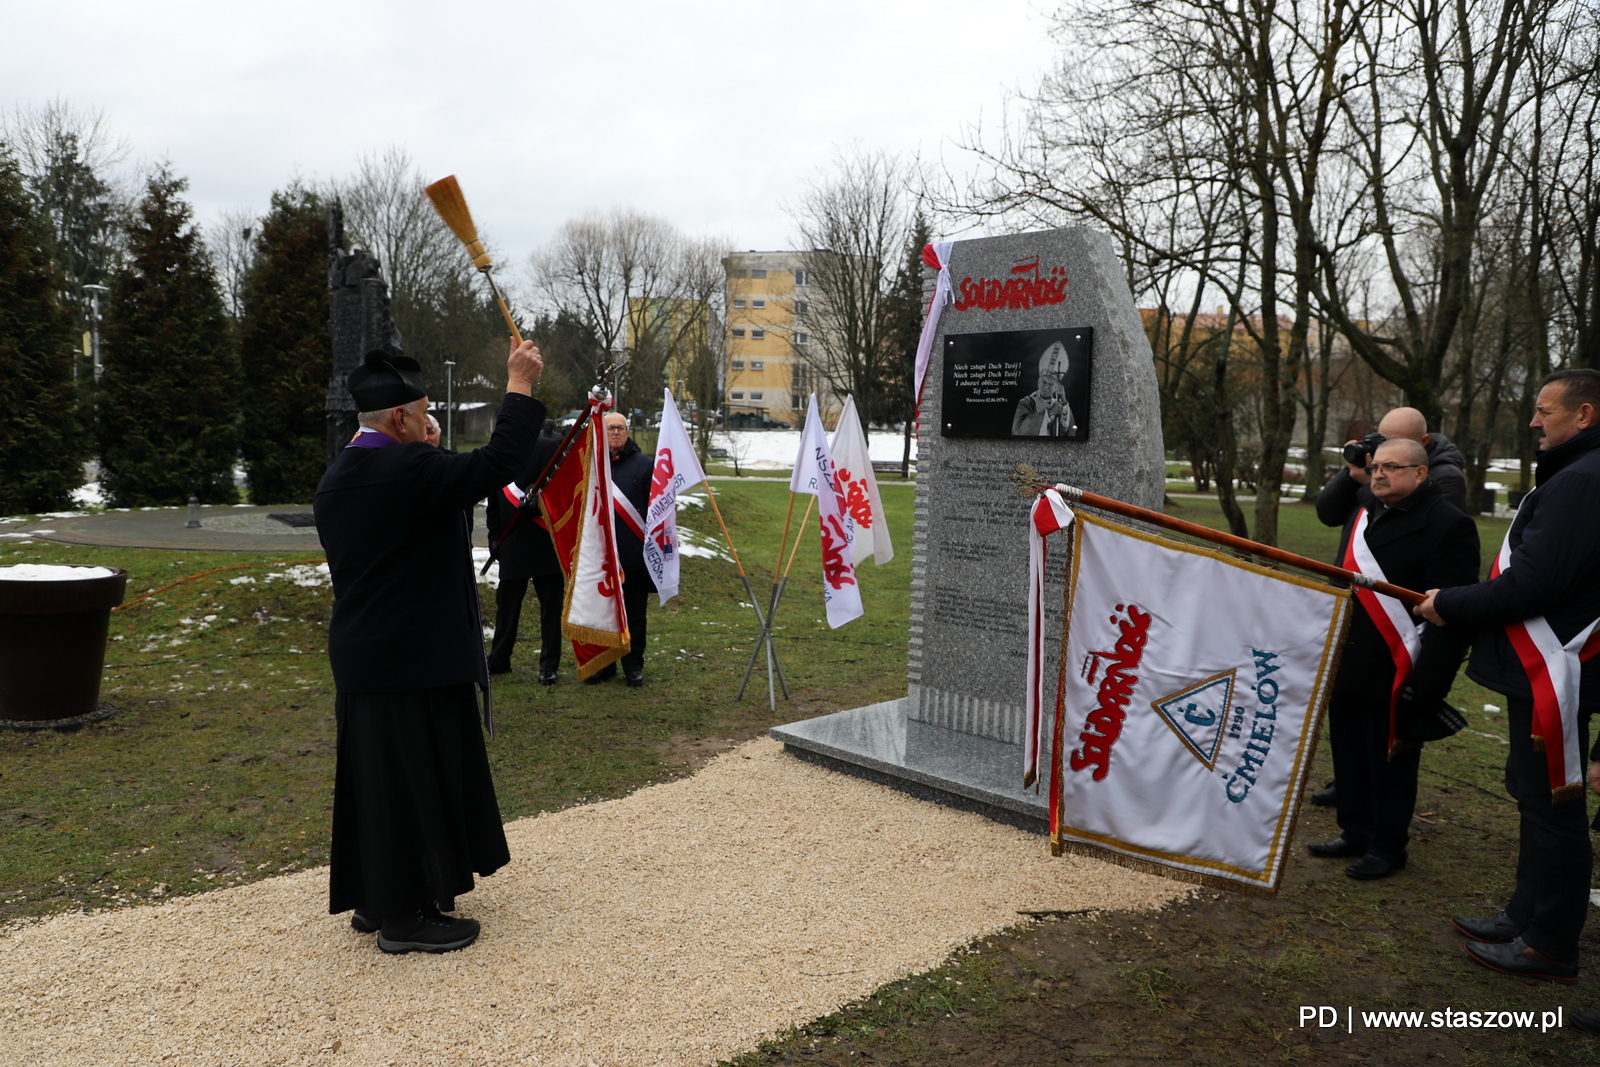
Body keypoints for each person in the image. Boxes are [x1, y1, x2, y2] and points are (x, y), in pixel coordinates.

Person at [314, 341, 544, 954]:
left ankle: (377, 896)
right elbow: (501, 462)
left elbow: (415, 519)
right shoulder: (409, 469)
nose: (428, 421)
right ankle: (405, 916)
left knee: (377, 779)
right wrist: (519, 386)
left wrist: (425, 448)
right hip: (413, 655)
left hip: (368, 654)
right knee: (413, 778)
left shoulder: (342, 475)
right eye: (421, 413)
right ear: (399, 420)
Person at [1418, 368, 1600, 983]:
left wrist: (1451, 602)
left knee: (1553, 806)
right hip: (1542, 668)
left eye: (1545, 410)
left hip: (1557, 667)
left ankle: (1549, 943)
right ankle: (1525, 915)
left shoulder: (1582, 481)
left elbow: (1536, 585)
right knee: (1534, 798)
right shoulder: (1576, 474)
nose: (1533, 421)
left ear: (1585, 416)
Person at [1306, 438, 1479, 879]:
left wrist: (1427, 684)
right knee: (1348, 752)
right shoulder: (1365, 509)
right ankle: (1355, 830)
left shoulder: (1449, 524)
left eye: (1392, 467)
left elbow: (1450, 616)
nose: (1379, 474)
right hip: (1348, 656)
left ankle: (1387, 847)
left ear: (1420, 473)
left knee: (1390, 762)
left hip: (1399, 665)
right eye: (1376, 466)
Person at [485, 422, 566, 684]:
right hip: (513, 542)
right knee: (506, 608)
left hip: (544, 540)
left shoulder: (547, 447)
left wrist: (537, 502)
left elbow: (558, 490)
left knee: (550, 610)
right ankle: (499, 659)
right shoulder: (499, 452)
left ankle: (549, 665)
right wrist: (494, 538)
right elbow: (493, 504)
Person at [587, 411, 653, 687]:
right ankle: (605, 663)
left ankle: (633, 665)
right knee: (603, 614)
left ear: (628, 432)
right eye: (610, 428)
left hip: (633, 557)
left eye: (621, 428)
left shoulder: (645, 465)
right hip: (600, 558)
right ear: (602, 432)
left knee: (635, 615)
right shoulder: (591, 465)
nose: (616, 432)